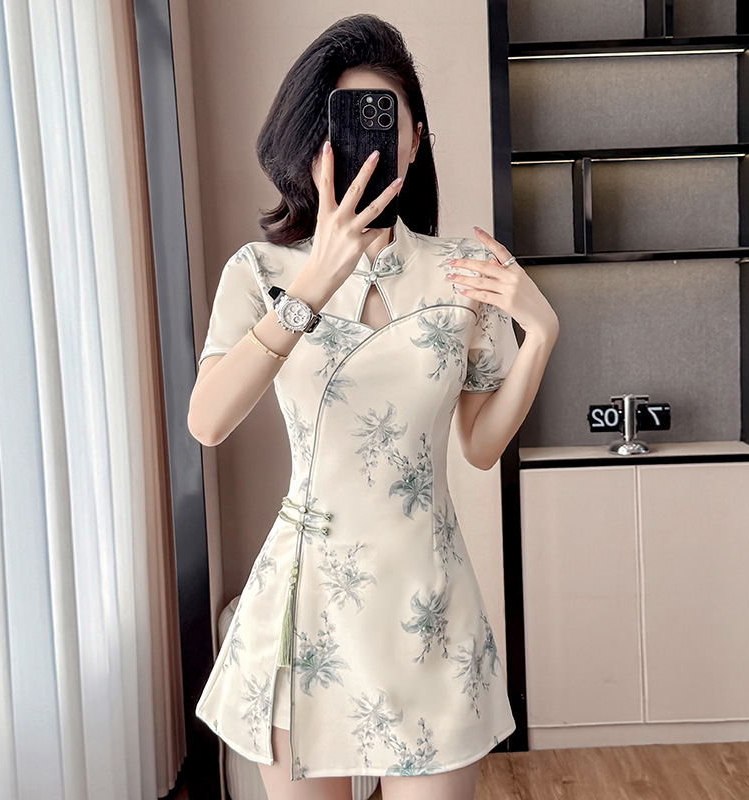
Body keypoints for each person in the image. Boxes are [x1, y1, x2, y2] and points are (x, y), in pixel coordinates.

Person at [187, 13, 558, 800]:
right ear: (312, 144)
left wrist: (542, 335)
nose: (364, 143)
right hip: (306, 607)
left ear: (416, 139)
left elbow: (481, 446)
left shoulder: (463, 273)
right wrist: (314, 283)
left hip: (428, 606)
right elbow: (207, 422)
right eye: (340, 124)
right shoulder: (260, 272)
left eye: (385, 119)